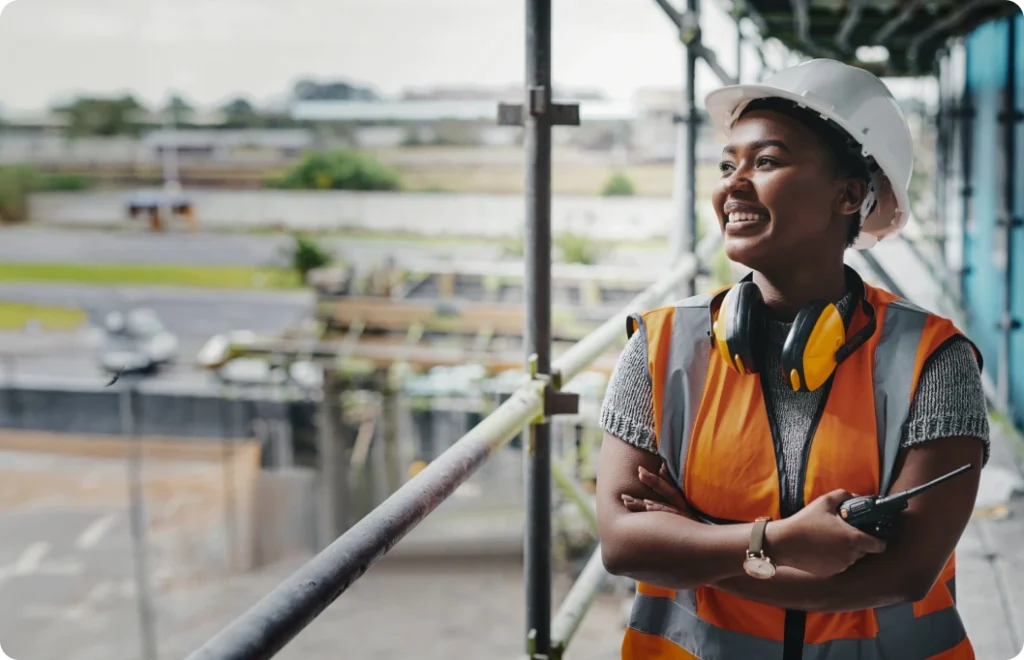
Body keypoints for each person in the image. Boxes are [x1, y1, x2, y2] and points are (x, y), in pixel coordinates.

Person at [595, 58, 990, 660]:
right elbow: (624, 545)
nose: (733, 183)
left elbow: (904, 575)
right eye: (729, 164)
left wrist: (694, 544)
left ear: (848, 194)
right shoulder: (660, 347)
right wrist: (778, 541)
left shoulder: (934, 362)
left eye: (767, 161)